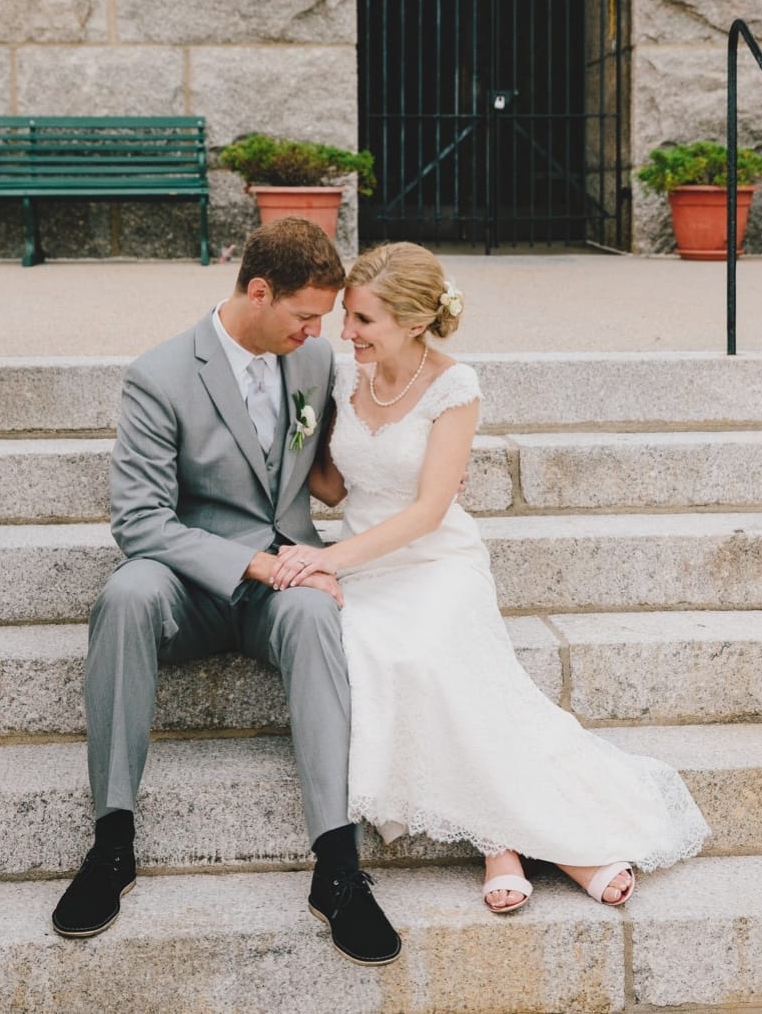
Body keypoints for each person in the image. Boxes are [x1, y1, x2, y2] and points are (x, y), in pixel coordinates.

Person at [270, 241, 710, 913]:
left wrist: (329, 558)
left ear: (413, 324)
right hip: (366, 562)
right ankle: (510, 838)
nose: (346, 331)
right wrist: (292, 445)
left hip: (435, 559)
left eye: (362, 320)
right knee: (376, 652)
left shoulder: (454, 386)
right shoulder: (340, 374)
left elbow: (427, 510)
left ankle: (525, 842)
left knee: (428, 654)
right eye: (349, 317)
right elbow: (332, 482)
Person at [52, 217, 401, 966]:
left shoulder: (309, 363)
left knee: (315, 609)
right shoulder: (160, 374)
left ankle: (336, 866)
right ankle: (113, 843)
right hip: (191, 582)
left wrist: (432, 465)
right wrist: (249, 564)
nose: (318, 331)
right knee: (124, 596)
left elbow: (341, 461)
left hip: (285, 578)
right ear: (258, 290)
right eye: (306, 314)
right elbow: (137, 519)